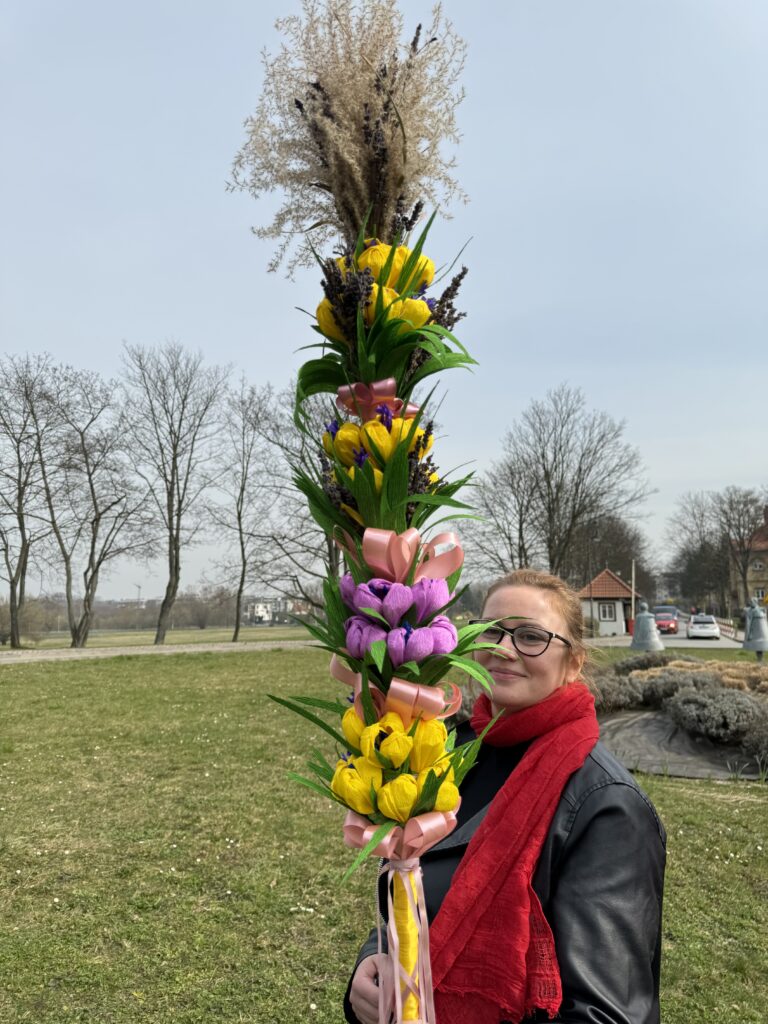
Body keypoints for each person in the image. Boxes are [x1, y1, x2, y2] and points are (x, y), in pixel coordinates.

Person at [345, 568, 666, 1024]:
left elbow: (604, 1012)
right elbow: (415, 892)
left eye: (531, 636)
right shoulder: (444, 753)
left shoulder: (607, 807)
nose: (503, 649)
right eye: (491, 631)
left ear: (573, 663)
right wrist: (374, 962)